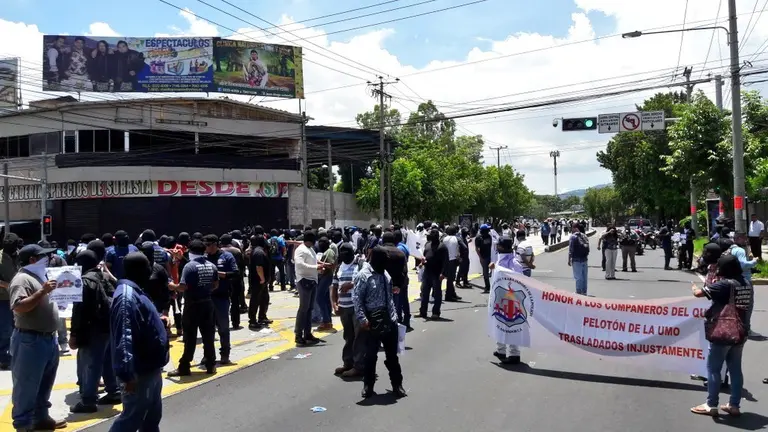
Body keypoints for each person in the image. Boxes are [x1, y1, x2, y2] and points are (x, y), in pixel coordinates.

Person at [9, 244, 68, 431]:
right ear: (32, 260)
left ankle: (41, 418)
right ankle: (23, 425)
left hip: (48, 339)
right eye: (43, 257)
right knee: (26, 387)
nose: (48, 259)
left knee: (45, 384)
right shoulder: (22, 279)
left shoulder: (39, 276)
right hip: (30, 340)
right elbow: (19, 306)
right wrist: (42, 291)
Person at [109, 252, 170, 432]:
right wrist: (127, 374)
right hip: (139, 372)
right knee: (131, 419)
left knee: (151, 418)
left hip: (151, 368)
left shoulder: (136, 292)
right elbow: (124, 336)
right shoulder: (127, 297)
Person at [690, 254, 753, 417]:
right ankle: (734, 405)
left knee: (713, 369)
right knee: (735, 370)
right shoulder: (747, 284)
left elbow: (699, 293)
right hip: (740, 331)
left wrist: (694, 287)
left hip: (723, 332)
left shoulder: (725, 285)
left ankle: (711, 404)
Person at [70, 250, 121, 413]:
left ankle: (88, 401)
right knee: (107, 361)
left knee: (90, 364)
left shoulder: (84, 281)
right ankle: (113, 391)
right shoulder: (104, 277)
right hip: (108, 326)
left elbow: (79, 310)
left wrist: (74, 334)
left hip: (92, 329)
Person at [353, 246, 406, 399]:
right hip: (371, 322)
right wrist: (363, 319)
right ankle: (368, 386)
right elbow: (357, 299)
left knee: (392, 356)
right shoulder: (363, 275)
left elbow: (389, 296)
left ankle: (397, 385)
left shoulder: (385, 274)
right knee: (370, 356)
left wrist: (394, 317)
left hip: (389, 319)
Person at [168, 240, 218, 376]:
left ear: (190, 252)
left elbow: (183, 287)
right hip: (208, 303)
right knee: (208, 335)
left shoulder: (189, 267)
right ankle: (211, 364)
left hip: (192, 305)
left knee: (190, 337)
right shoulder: (212, 266)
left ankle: (184, 366)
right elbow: (215, 285)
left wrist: (172, 286)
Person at [332, 243, 365, 378]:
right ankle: (348, 363)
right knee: (348, 336)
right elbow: (333, 287)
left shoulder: (361, 264)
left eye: (347, 253)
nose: (344, 256)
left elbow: (367, 280)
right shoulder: (339, 267)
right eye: (342, 254)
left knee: (359, 337)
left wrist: (351, 284)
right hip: (344, 307)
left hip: (357, 307)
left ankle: (359, 366)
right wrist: (334, 303)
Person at [204, 234, 238, 365]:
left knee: (223, 328)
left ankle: (225, 353)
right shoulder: (204, 258)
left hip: (221, 297)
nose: (206, 248)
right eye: (205, 245)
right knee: (207, 329)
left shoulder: (226, 256)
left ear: (215, 245)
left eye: (208, 245)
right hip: (206, 298)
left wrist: (217, 273)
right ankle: (208, 355)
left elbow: (235, 273)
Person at [293, 230, 327, 347]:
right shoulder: (301, 250)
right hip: (304, 281)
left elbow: (313, 260)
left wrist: (321, 263)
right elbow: (300, 264)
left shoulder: (310, 249)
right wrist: (316, 267)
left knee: (309, 309)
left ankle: (307, 334)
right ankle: (298, 334)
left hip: (312, 281)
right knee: (303, 309)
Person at [419, 229, 449, 319]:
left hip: (437, 273)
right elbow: (425, 257)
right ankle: (423, 312)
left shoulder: (442, 247)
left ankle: (436, 312)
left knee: (437, 294)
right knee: (424, 293)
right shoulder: (427, 245)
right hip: (427, 272)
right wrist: (422, 263)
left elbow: (446, 261)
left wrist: (443, 273)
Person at [0, 233, 19, 370]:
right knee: (5, 329)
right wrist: (8, 285)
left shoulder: (19, 255)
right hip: (3, 298)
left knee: (16, 328)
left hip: (17, 297)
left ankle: (14, 355)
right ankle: (4, 358)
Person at [220, 234, 245, 329]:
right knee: (235, 302)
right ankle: (235, 322)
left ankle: (222, 322)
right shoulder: (237, 251)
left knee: (223, 302)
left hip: (223, 280)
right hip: (236, 279)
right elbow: (242, 266)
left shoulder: (219, 252)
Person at [247, 235, 271, 329]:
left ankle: (262, 317)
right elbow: (259, 267)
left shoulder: (258, 250)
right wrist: (262, 278)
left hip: (261, 281)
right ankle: (252, 321)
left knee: (264, 299)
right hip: (258, 281)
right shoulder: (259, 252)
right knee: (255, 300)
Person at [568, 222, 590, 295]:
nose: (571, 229)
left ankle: (578, 292)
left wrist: (569, 259)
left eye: (572, 228)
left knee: (578, 277)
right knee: (584, 276)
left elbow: (571, 250)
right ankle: (584, 291)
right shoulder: (584, 235)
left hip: (576, 259)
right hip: (584, 259)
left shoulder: (573, 237)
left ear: (575, 228)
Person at [475, 224, 494, 293]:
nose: (489, 230)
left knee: (493, 272)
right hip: (484, 257)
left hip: (491, 256)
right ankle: (487, 287)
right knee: (485, 273)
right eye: (487, 229)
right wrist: (480, 258)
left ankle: (493, 286)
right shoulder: (478, 238)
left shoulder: (489, 236)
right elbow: (477, 249)